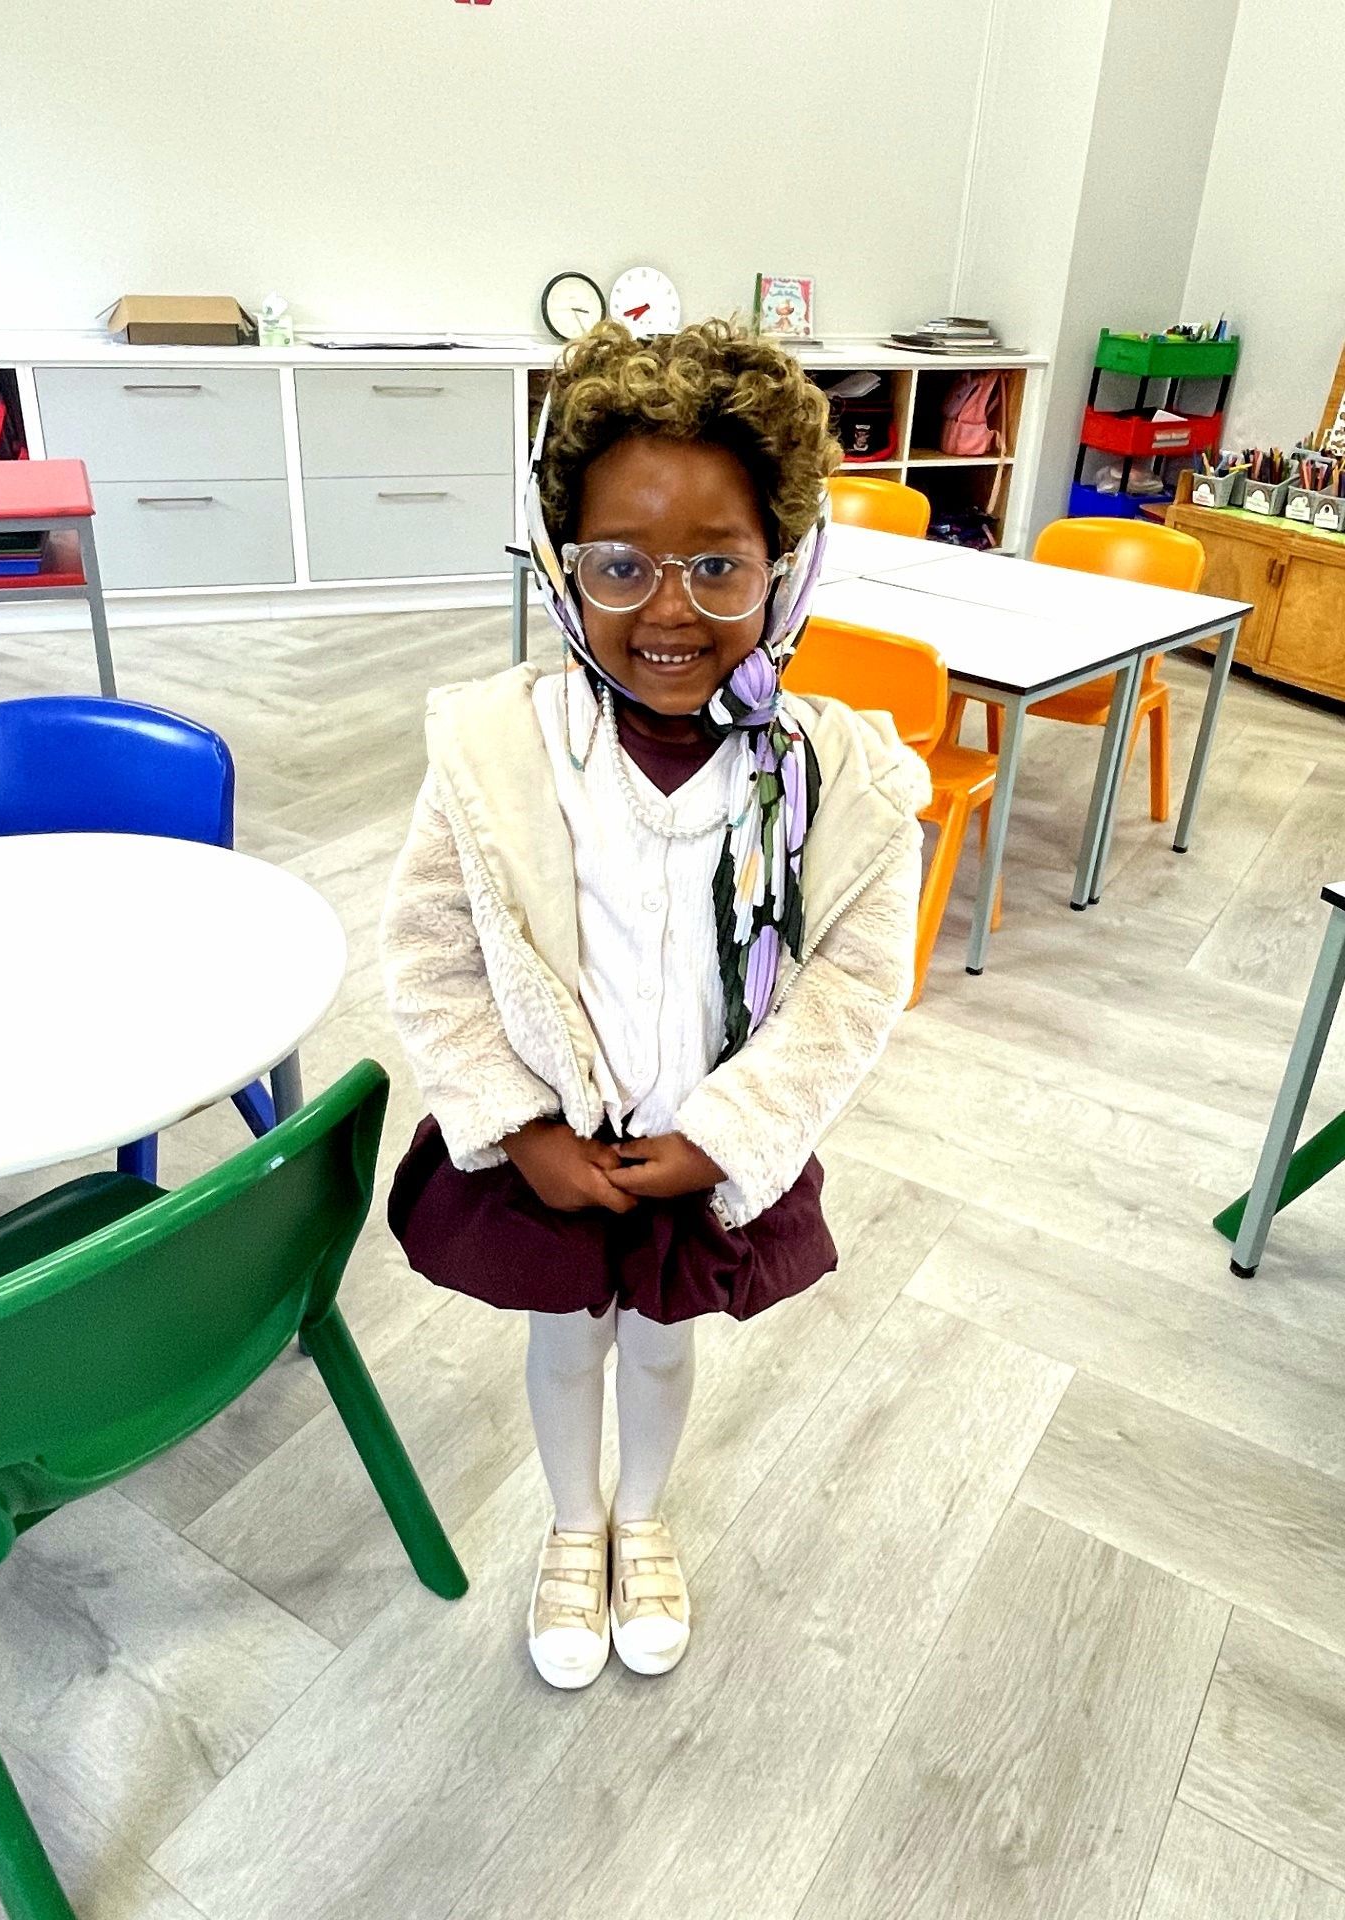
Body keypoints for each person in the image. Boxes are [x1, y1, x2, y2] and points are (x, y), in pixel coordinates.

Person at [381, 318, 927, 1690]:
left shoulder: (841, 775)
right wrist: (517, 1131)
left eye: (717, 566)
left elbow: (857, 983)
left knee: (664, 1347)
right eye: (620, 565)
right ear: (565, 565)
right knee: (565, 1339)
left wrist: (733, 1137)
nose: (667, 611)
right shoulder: (496, 748)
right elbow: (432, 955)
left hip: (703, 1134)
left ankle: (645, 1519)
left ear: (783, 566)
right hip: (557, 1142)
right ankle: (575, 1529)